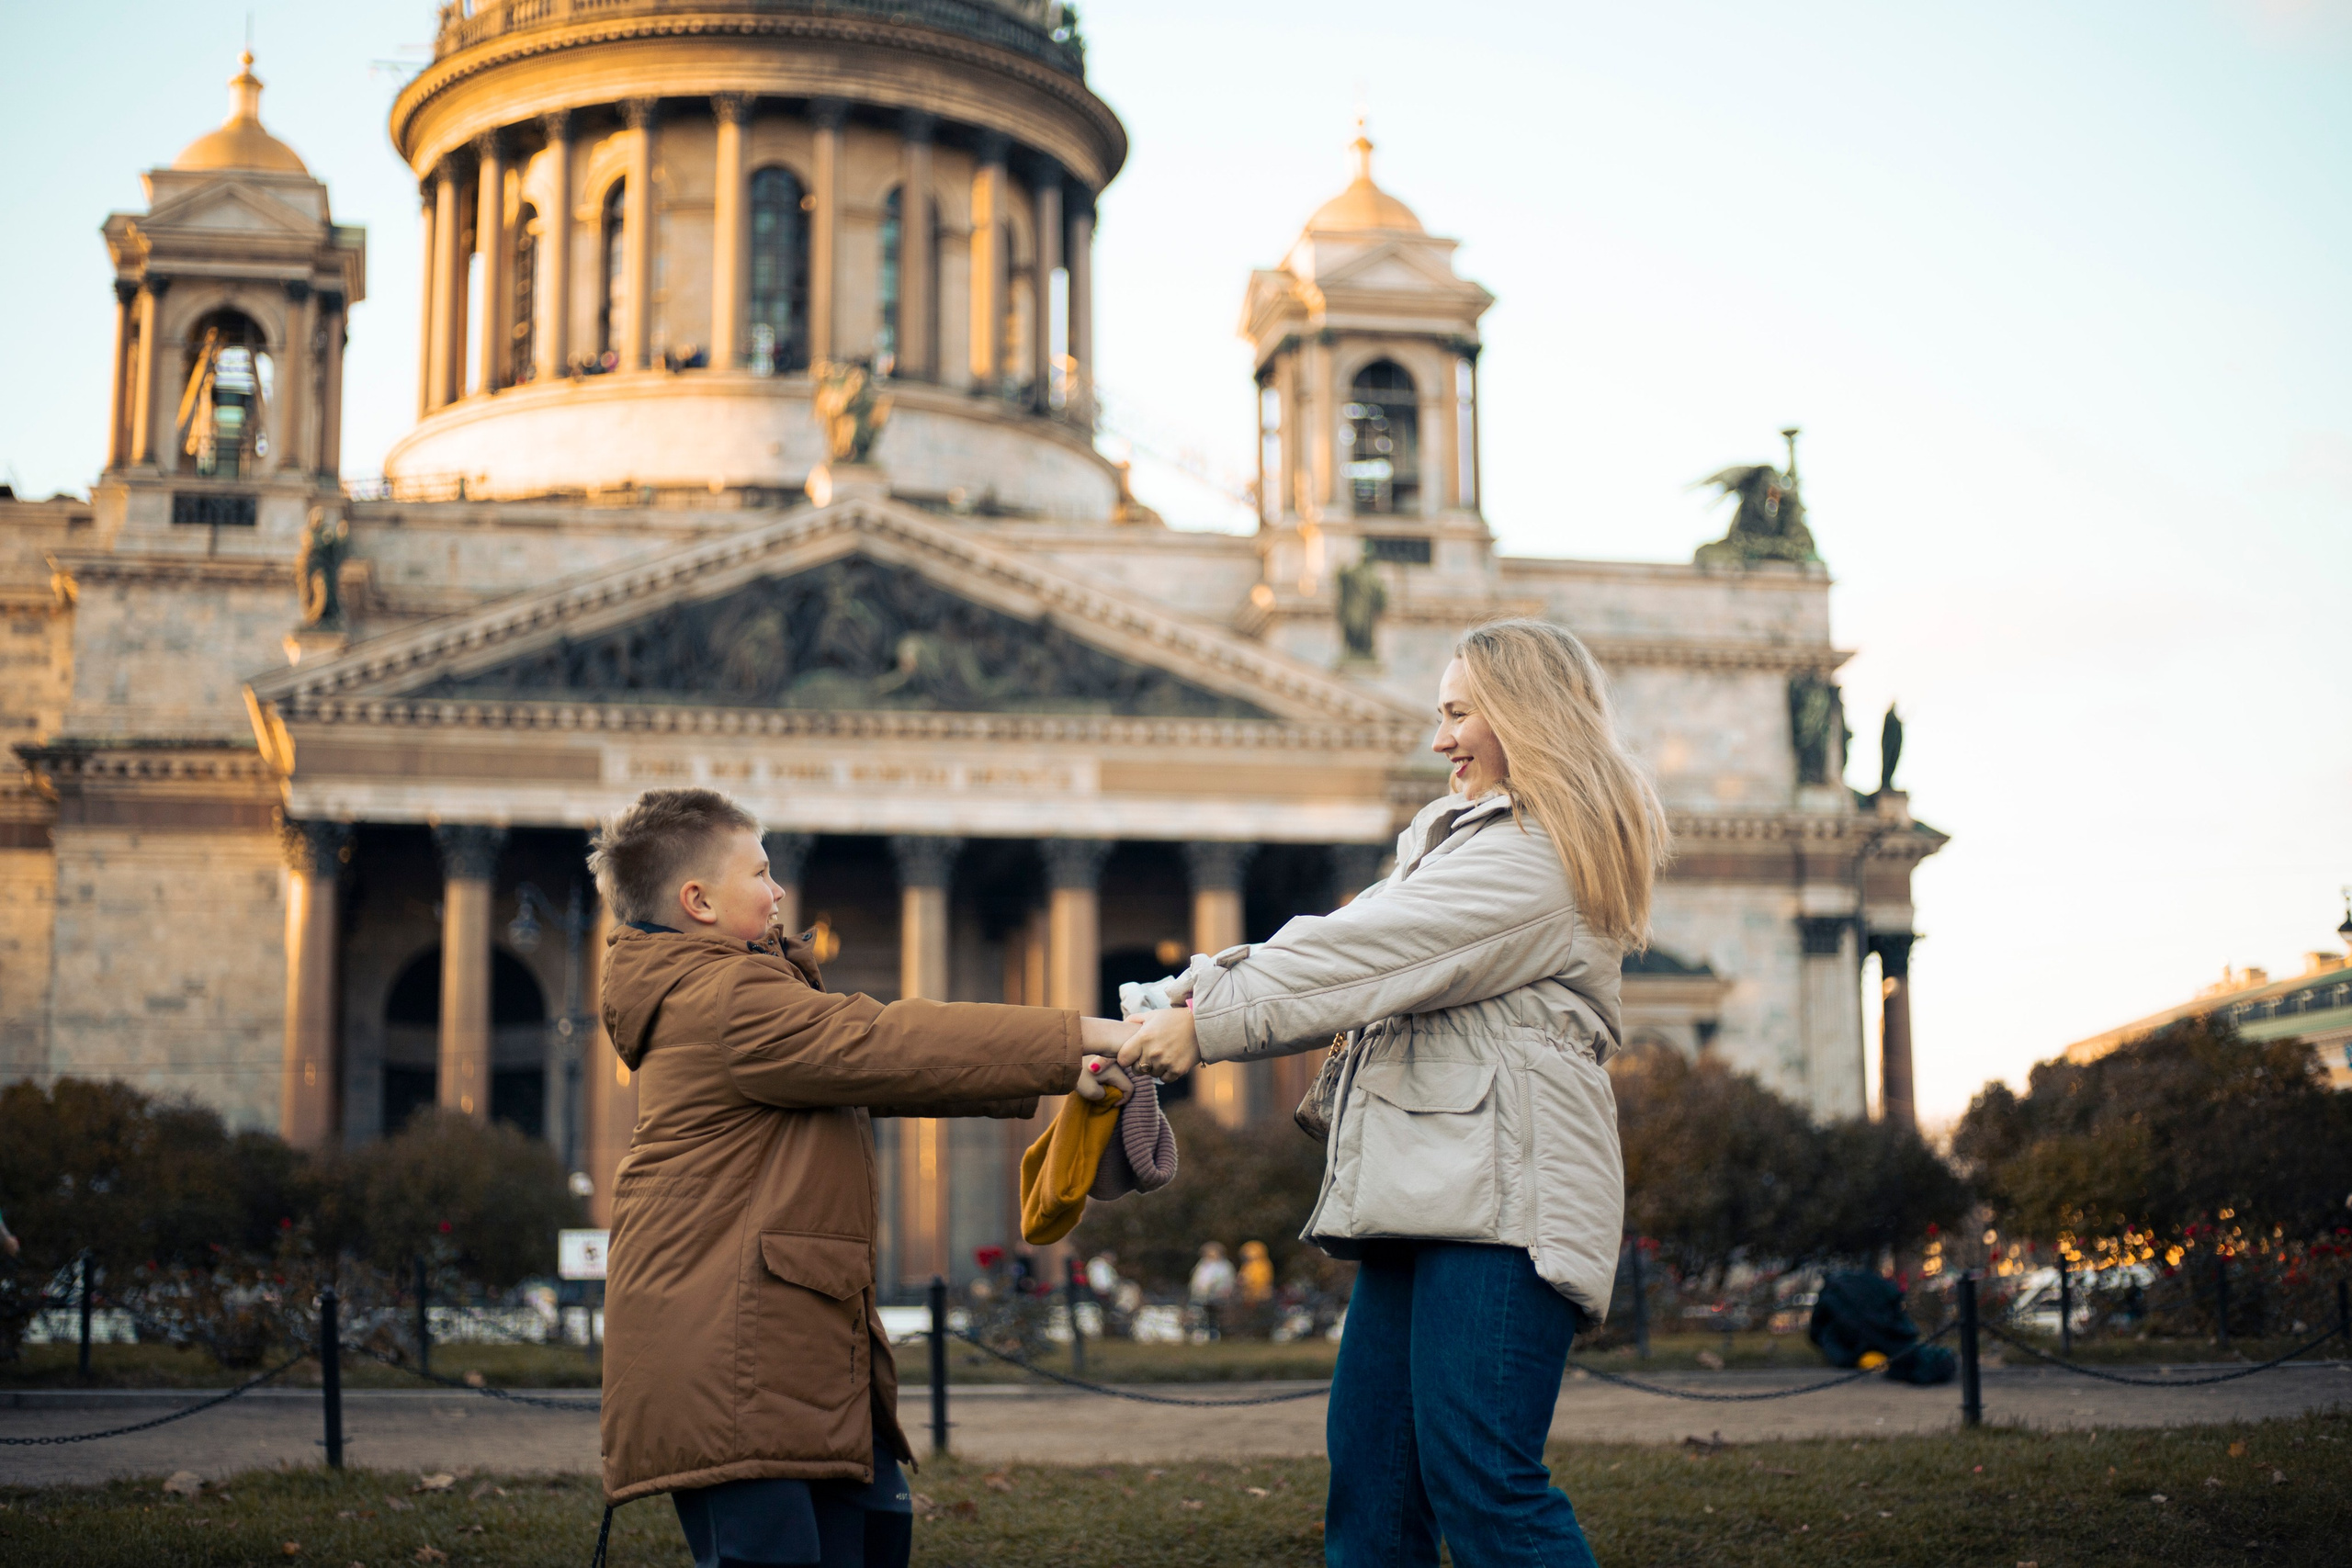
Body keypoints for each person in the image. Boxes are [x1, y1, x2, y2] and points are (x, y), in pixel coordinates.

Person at [1121, 618, 1668, 1568]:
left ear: (1524, 717)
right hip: (1429, 1191)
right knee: (1373, 1488)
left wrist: (1205, 1026)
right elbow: (1326, 939)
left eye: (1458, 714)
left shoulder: (1536, 855)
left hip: (1503, 1208)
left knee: (1486, 1488)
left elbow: (1361, 959)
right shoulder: (1456, 844)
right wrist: (1177, 997)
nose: (1438, 738)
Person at [591, 788, 1136, 1568]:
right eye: (760, 872)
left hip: (784, 1349)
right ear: (698, 901)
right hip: (732, 1361)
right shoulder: (725, 997)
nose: (780, 891)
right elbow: (886, 1041)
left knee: (877, 1533)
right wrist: (1090, 1034)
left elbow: (886, 1068)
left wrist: (1067, 1071)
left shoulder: (735, 994)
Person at [1187, 1241, 1235, 1340]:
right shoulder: (1202, 1264)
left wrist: (1221, 1291)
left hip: (1217, 1297)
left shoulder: (1224, 1266)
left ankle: (1214, 1335)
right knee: (1199, 1316)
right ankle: (1200, 1335)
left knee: (1214, 1317)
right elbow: (1197, 1280)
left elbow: (1227, 1281)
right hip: (1200, 1296)